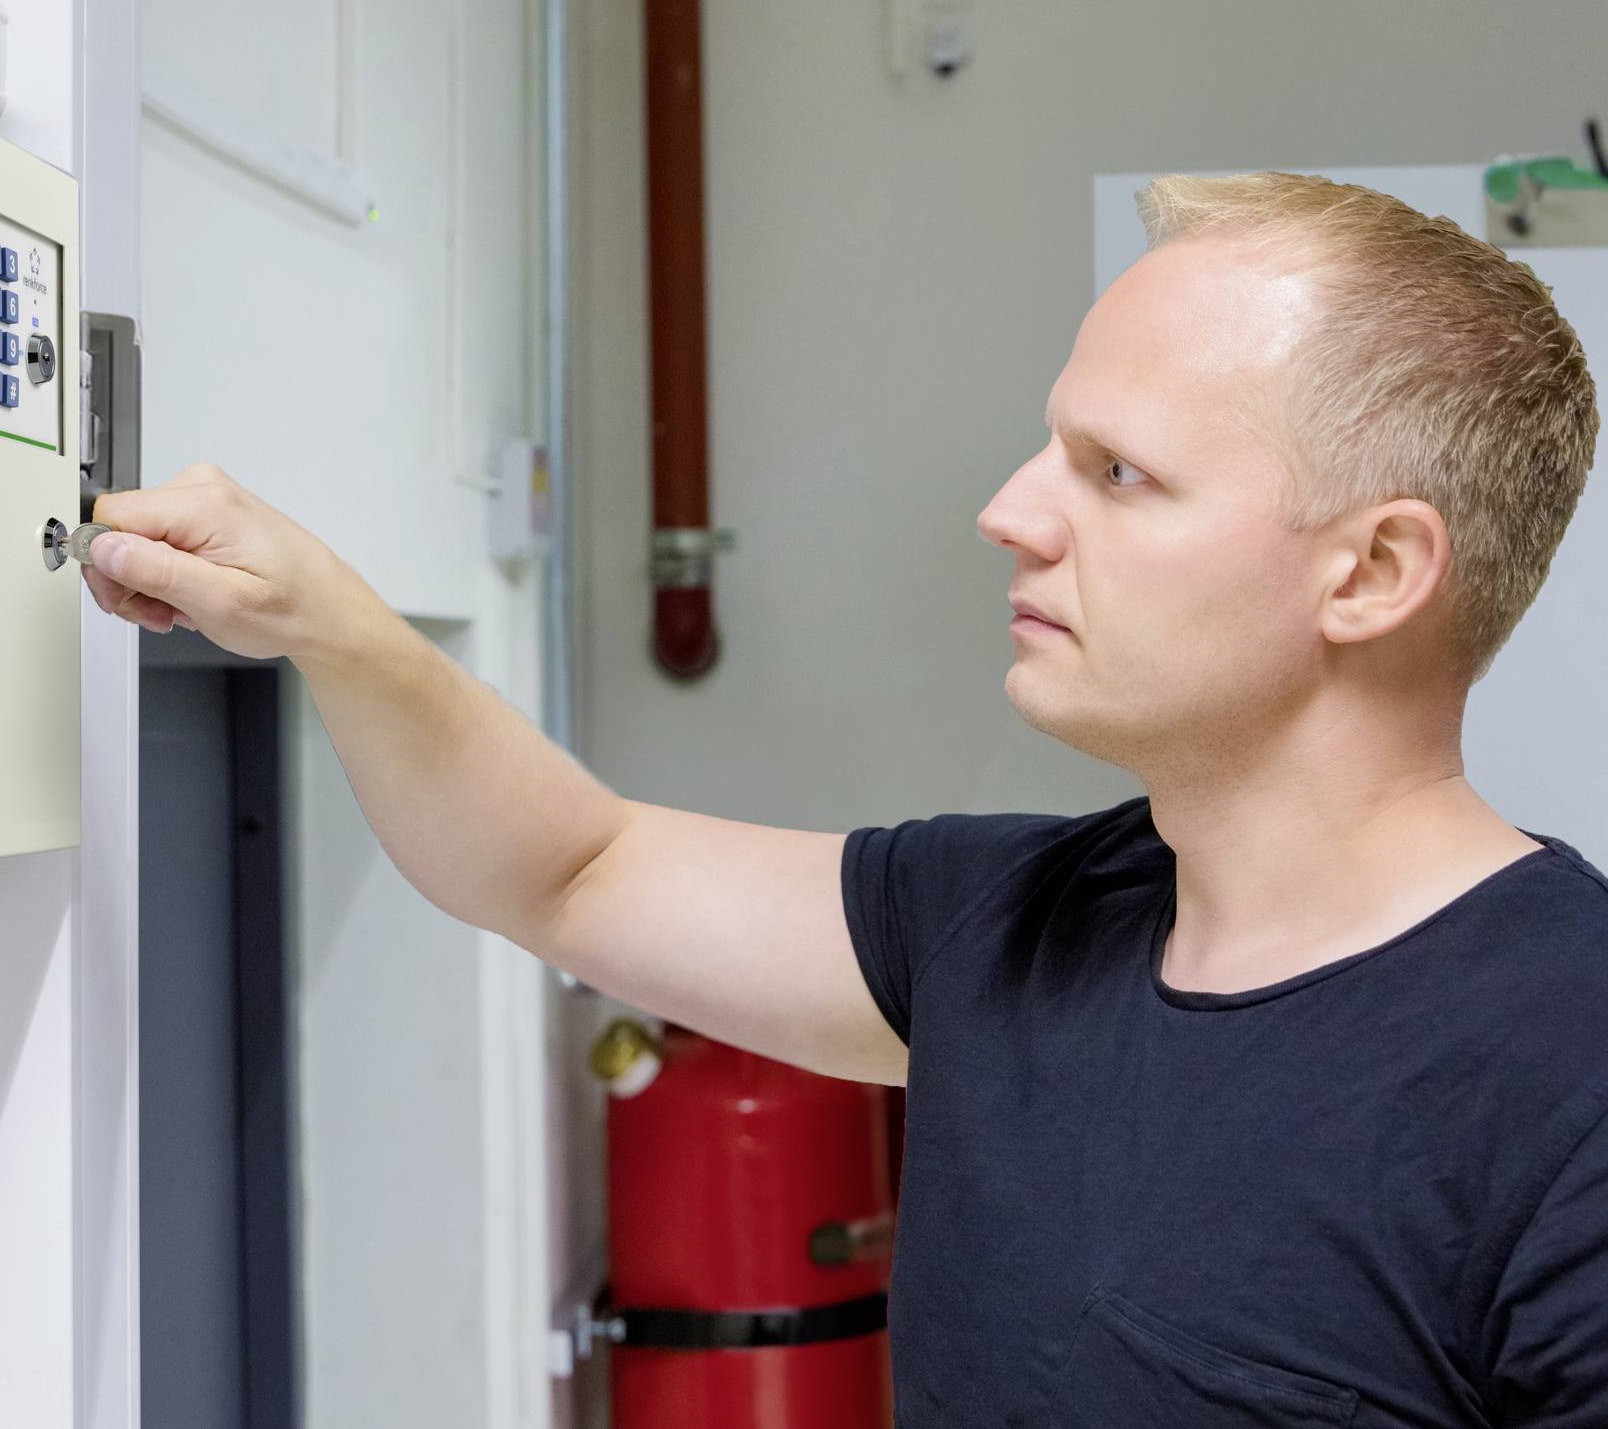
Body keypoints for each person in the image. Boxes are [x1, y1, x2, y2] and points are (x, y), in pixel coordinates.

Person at [82, 173, 1605, 1427]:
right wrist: (330, 623)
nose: (1011, 513)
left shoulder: (1565, 1073)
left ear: (1374, 572)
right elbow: (572, 871)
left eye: (1118, 474)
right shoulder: (1006, 930)